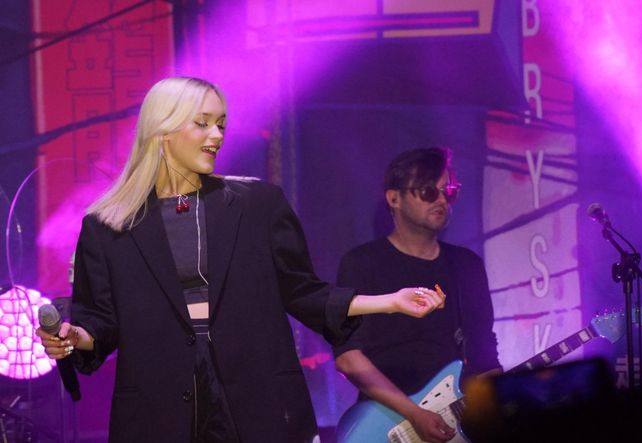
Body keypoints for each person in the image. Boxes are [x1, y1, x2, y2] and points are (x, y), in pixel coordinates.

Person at [35, 77, 445, 443]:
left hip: (259, 401)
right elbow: (99, 321)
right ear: (163, 130)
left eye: (221, 124)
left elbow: (303, 291)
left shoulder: (257, 204)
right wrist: (74, 337)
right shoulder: (109, 225)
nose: (216, 135)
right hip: (160, 412)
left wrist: (390, 301)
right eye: (202, 123)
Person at [334, 147, 501, 443]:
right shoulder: (361, 263)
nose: (441, 200)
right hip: (385, 425)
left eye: (448, 191)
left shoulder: (466, 265)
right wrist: (414, 413)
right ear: (394, 198)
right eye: (427, 191)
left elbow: (484, 352)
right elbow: (348, 357)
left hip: (457, 422)